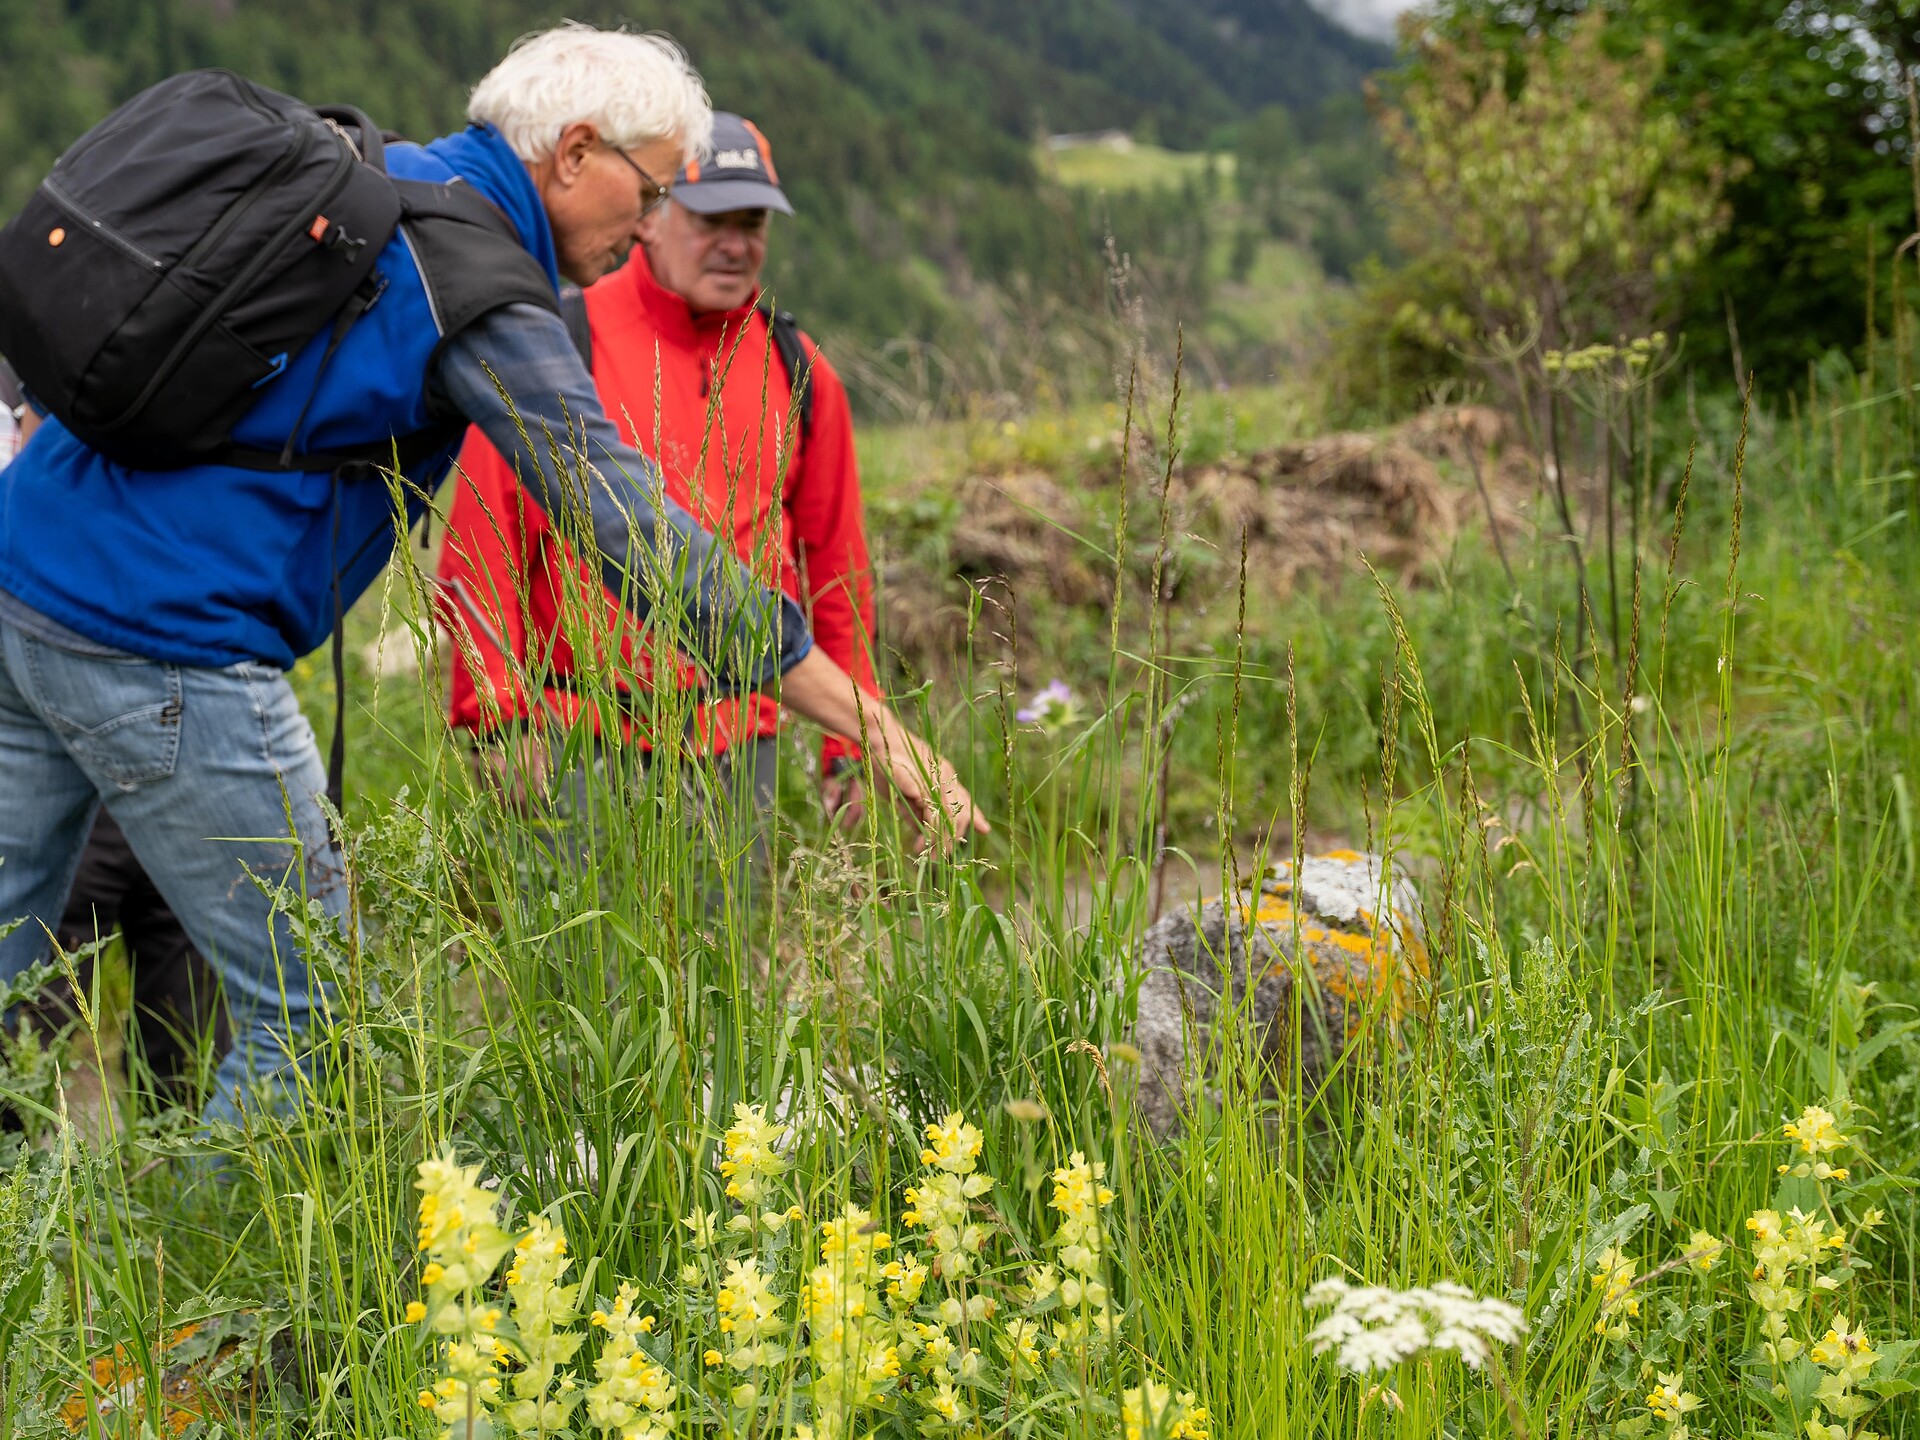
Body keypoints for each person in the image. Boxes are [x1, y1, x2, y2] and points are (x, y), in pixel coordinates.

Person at [0, 26, 986, 1126]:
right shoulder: (480, 290)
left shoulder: (381, 174)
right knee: (317, 1014)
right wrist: (873, 724)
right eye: (651, 188)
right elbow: (638, 537)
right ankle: (211, 1298)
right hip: (164, 640)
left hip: (20, 577)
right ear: (573, 154)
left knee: (5, 959)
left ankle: (42, 1274)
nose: (654, 221)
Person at [439, 112, 876, 887]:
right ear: (652, 217)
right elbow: (483, 537)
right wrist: (498, 716)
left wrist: (852, 743)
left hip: (741, 745)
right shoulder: (558, 341)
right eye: (712, 219)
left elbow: (837, 566)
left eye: (753, 222)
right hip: (576, 741)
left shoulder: (797, 368)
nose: (735, 243)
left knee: (729, 992)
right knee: (577, 996)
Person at [1, 358, 231, 1118]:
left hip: (176, 732)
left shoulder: (83, 344)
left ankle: (196, 1232)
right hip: (37, 761)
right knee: (18, 1047)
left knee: (193, 1061)